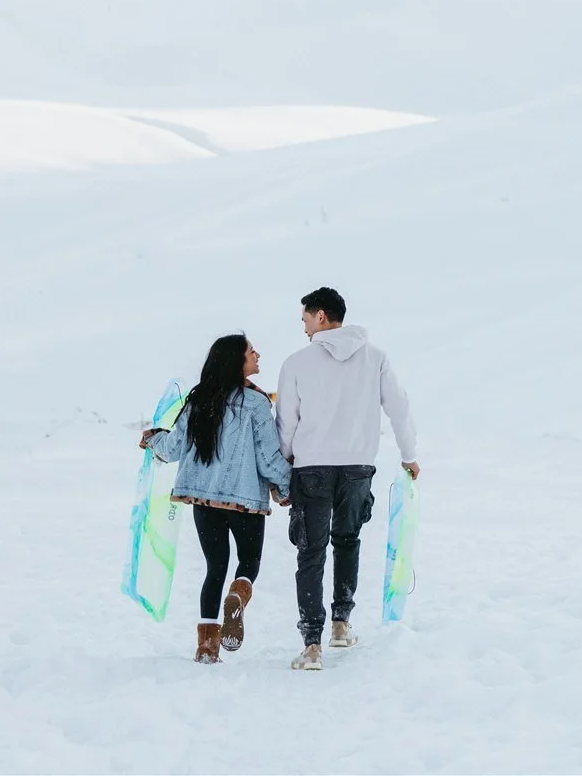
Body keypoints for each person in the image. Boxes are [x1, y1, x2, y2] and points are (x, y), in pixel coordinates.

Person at [276, 286, 419, 671]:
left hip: (311, 469)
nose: (304, 328)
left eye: (306, 319)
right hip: (357, 467)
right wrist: (410, 456)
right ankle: (341, 623)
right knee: (347, 541)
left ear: (321, 315)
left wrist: (286, 461)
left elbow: (287, 421)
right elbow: (399, 407)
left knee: (310, 551)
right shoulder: (375, 358)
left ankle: (311, 645)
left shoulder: (296, 363)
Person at [141, 333, 294, 664]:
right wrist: (287, 488)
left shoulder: (199, 400)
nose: (257, 354)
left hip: (203, 501)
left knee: (214, 567)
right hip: (245, 502)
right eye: (251, 351)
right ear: (237, 361)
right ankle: (238, 594)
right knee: (249, 561)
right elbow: (269, 457)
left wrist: (153, 439)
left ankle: (207, 647)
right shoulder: (255, 404)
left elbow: (173, 448)